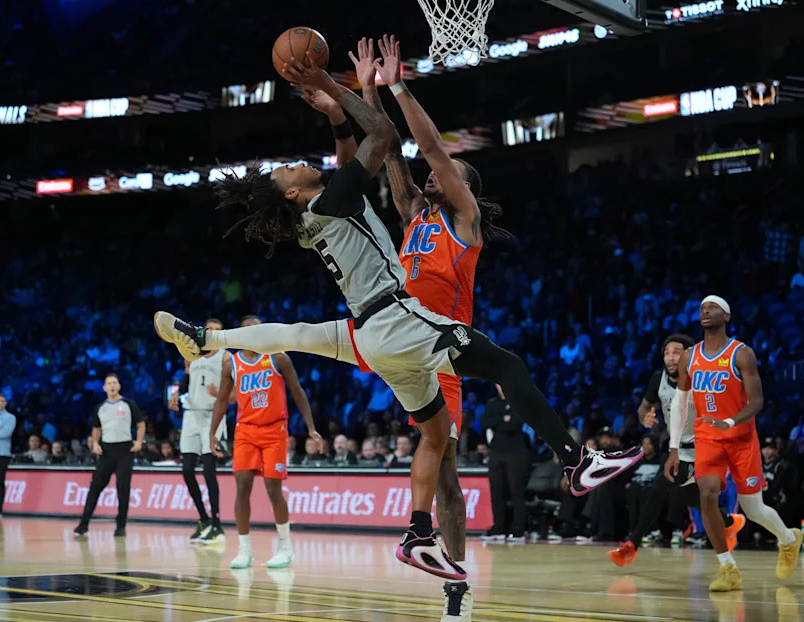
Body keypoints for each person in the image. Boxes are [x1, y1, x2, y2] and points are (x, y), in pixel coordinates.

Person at [153, 50, 640, 584]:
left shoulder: (332, 209)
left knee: (313, 345)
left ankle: (417, 533)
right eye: (288, 169)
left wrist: (338, 110)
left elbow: (359, 154)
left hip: (371, 333)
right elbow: (383, 140)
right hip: (400, 322)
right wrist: (343, 86)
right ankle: (574, 460)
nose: (297, 162)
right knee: (509, 368)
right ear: (293, 192)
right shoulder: (346, 202)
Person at [665, 296, 802, 592]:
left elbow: (757, 402)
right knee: (708, 493)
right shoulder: (691, 356)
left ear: (726, 315)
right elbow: (680, 402)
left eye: (712, 307)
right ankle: (728, 567)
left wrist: (728, 422)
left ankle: (789, 539)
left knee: (754, 510)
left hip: (740, 438)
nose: (705, 310)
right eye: (701, 307)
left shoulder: (741, 354)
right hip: (707, 437)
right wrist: (674, 447)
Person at [609, 335, 745, 566]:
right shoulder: (657, 379)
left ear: (689, 354)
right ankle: (729, 523)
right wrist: (645, 418)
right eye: (667, 353)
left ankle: (632, 545)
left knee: (659, 487)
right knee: (685, 494)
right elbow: (644, 407)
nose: (671, 358)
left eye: (677, 352)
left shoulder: (702, 378)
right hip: (677, 449)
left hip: (705, 447)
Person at [209, 316, 323, 569]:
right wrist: (212, 432)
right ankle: (244, 550)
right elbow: (221, 401)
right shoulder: (232, 364)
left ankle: (285, 547)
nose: (251, 333)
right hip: (245, 430)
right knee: (242, 486)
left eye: (255, 329)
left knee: (273, 488)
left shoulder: (278, 357)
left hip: (274, 430)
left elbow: (298, 392)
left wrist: (311, 427)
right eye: (246, 329)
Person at [169, 317, 230, 544]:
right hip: (191, 415)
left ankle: (217, 524)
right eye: (210, 329)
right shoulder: (191, 354)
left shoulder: (226, 357)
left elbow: (233, 394)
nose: (213, 332)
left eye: (217, 330)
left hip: (212, 417)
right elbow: (187, 379)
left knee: (209, 471)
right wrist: (176, 394)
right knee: (186, 470)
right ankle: (203, 519)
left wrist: (221, 395)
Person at [74, 373, 146, 537]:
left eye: (115, 382)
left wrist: (139, 442)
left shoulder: (129, 404)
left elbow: (140, 424)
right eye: (109, 383)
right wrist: (95, 443)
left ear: (119, 386)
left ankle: (121, 525)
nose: (112, 385)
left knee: (123, 488)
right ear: (104, 388)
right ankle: (83, 524)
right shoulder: (100, 407)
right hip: (107, 451)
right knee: (95, 487)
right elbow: (96, 429)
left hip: (125, 451)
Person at [481, 385, 530, 543]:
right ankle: (499, 528)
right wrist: (503, 418)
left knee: (516, 491)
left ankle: (518, 531)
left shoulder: (518, 402)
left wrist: (497, 421)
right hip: (496, 452)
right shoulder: (492, 403)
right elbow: (484, 422)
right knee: (496, 492)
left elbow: (514, 425)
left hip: (515, 453)